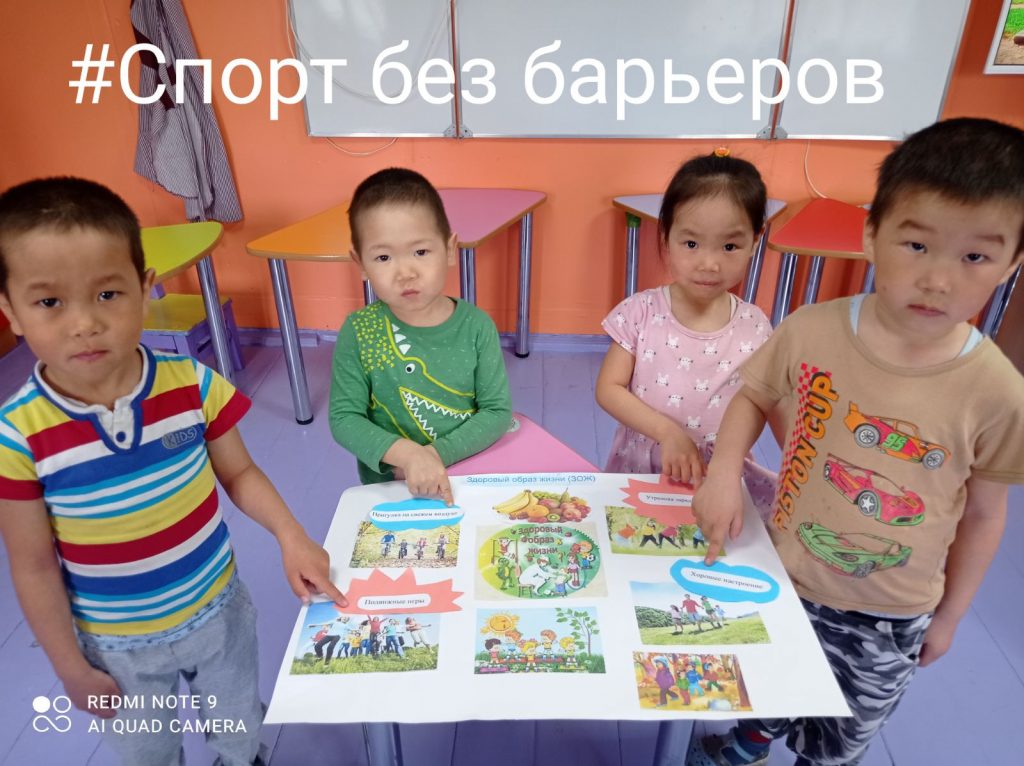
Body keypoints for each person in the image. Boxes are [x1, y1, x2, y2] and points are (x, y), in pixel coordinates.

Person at [688, 118, 1024, 766]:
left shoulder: (999, 393)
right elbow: (754, 395)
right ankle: (748, 745)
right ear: (871, 235)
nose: (939, 279)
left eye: (975, 257)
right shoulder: (809, 329)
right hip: (783, 571)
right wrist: (723, 473)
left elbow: (986, 514)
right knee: (764, 688)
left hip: (890, 612)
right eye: (917, 245)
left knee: (839, 736)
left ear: (1012, 262)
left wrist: (951, 616)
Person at [0, 177, 346, 766]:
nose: (84, 323)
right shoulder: (17, 435)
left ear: (145, 288)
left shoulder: (191, 383)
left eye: (107, 293)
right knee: (150, 752)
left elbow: (240, 473)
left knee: (238, 732)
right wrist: (69, 667)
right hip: (115, 646)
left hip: (217, 610)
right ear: (10, 310)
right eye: (49, 302)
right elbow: (32, 565)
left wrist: (292, 536)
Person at [595, 149, 777, 514]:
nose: (709, 264)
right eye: (691, 244)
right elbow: (608, 389)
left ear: (755, 242)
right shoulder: (640, 312)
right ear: (666, 235)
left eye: (730, 246)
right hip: (643, 467)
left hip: (718, 474)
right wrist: (667, 433)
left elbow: (764, 403)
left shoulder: (755, 325)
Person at [329, 168, 512, 503]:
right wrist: (408, 456)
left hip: (467, 478)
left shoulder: (477, 326)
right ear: (361, 264)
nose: (406, 272)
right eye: (383, 257)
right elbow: (344, 419)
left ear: (450, 249)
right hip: (390, 489)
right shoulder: (359, 331)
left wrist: (431, 456)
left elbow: (497, 412)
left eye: (421, 252)